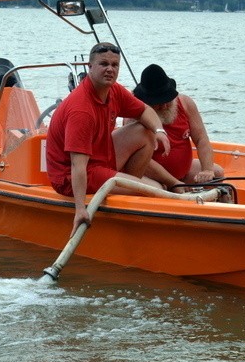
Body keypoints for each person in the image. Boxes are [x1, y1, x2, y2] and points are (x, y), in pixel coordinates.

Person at [46, 42, 171, 233]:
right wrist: (80, 209)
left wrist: (159, 131)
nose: (110, 70)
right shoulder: (81, 110)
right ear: (90, 67)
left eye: (115, 65)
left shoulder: (114, 91)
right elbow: (77, 166)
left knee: (145, 132)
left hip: (99, 160)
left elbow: (144, 110)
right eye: (104, 64)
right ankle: (130, 191)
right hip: (73, 177)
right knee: (155, 189)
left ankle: (126, 189)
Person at [130, 64, 224, 190]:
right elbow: (140, 161)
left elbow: (201, 139)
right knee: (157, 189)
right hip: (153, 177)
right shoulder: (135, 115)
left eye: (166, 100)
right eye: (157, 103)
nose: (163, 106)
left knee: (217, 173)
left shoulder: (185, 104)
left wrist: (207, 170)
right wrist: (172, 182)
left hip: (185, 172)